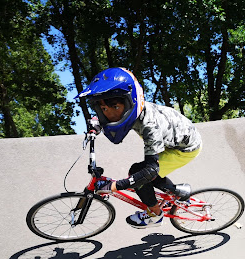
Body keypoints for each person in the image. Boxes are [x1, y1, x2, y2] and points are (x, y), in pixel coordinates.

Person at [75, 67, 202, 229]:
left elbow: (150, 171)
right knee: (142, 173)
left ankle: (155, 215)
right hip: (175, 137)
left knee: (139, 174)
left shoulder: (150, 127)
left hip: (184, 148)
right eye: (102, 109)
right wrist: (98, 122)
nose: (106, 113)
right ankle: (176, 192)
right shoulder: (135, 108)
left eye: (111, 108)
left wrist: (116, 186)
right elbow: (118, 116)